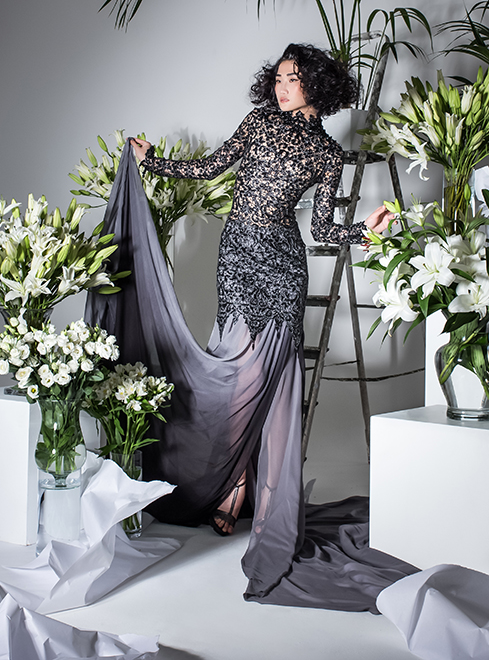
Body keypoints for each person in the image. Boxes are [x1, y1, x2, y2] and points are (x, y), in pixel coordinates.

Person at [88, 43, 413, 612]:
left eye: (292, 79)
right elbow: (208, 168)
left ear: (316, 86)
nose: (281, 88)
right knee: (239, 377)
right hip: (238, 257)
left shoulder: (327, 153)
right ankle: (231, 478)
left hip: (284, 265)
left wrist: (367, 230)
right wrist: (151, 160)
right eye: (278, 78)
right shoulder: (259, 122)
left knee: (272, 382)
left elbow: (324, 232)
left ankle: (245, 487)